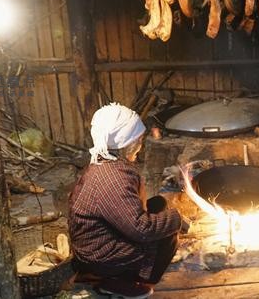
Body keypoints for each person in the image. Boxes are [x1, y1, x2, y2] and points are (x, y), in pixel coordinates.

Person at [69, 103, 189, 299]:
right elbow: (141, 229)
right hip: (100, 258)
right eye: (139, 140)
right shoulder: (113, 178)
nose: (140, 146)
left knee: (158, 204)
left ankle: (115, 275)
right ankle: (119, 282)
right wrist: (176, 219)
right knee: (167, 235)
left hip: (97, 244)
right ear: (127, 142)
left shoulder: (107, 164)